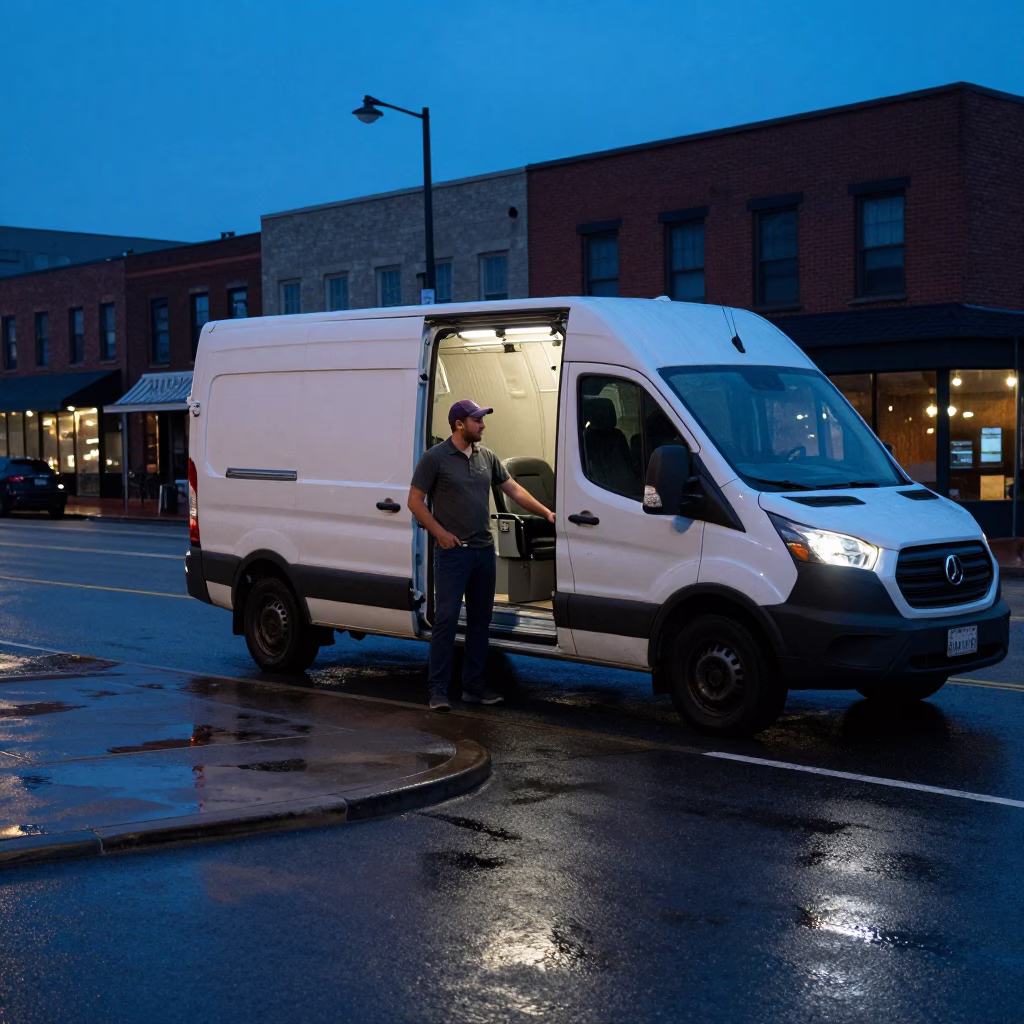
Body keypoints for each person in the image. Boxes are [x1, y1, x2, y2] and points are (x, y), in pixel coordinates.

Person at [408, 399, 556, 711]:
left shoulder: (486, 456)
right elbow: (415, 501)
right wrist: (439, 533)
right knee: (446, 620)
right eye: (477, 420)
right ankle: (438, 690)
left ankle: (473, 686)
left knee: (480, 621)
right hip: (453, 554)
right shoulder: (434, 459)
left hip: (483, 551)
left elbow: (513, 489)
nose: (483, 425)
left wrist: (546, 512)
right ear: (459, 424)